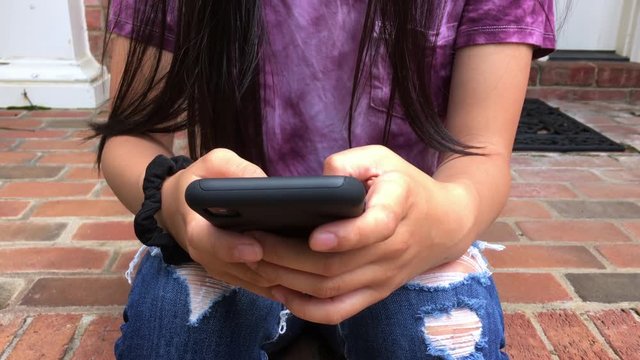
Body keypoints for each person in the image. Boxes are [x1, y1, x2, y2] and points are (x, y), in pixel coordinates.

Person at [93, 0, 556, 358]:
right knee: (176, 337)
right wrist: (172, 202)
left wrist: (448, 217)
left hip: (408, 236)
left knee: (430, 340)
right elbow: (131, 136)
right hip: (231, 238)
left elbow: (482, 155)